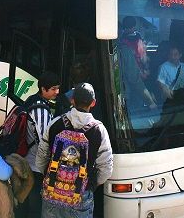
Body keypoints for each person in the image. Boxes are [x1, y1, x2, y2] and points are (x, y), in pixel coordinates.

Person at [36, 83, 113, 217]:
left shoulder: (55, 123)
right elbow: (106, 169)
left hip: (52, 192)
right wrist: (89, 186)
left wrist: (54, 178)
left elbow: (41, 158)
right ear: (93, 103)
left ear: (72, 100)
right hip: (80, 196)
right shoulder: (99, 130)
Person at [19, 71, 60, 218]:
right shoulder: (40, 109)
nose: (57, 92)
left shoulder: (32, 100)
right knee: (35, 201)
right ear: (43, 89)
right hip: (35, 162)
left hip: (29, 159)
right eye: (54, 88)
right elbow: (45, 140)